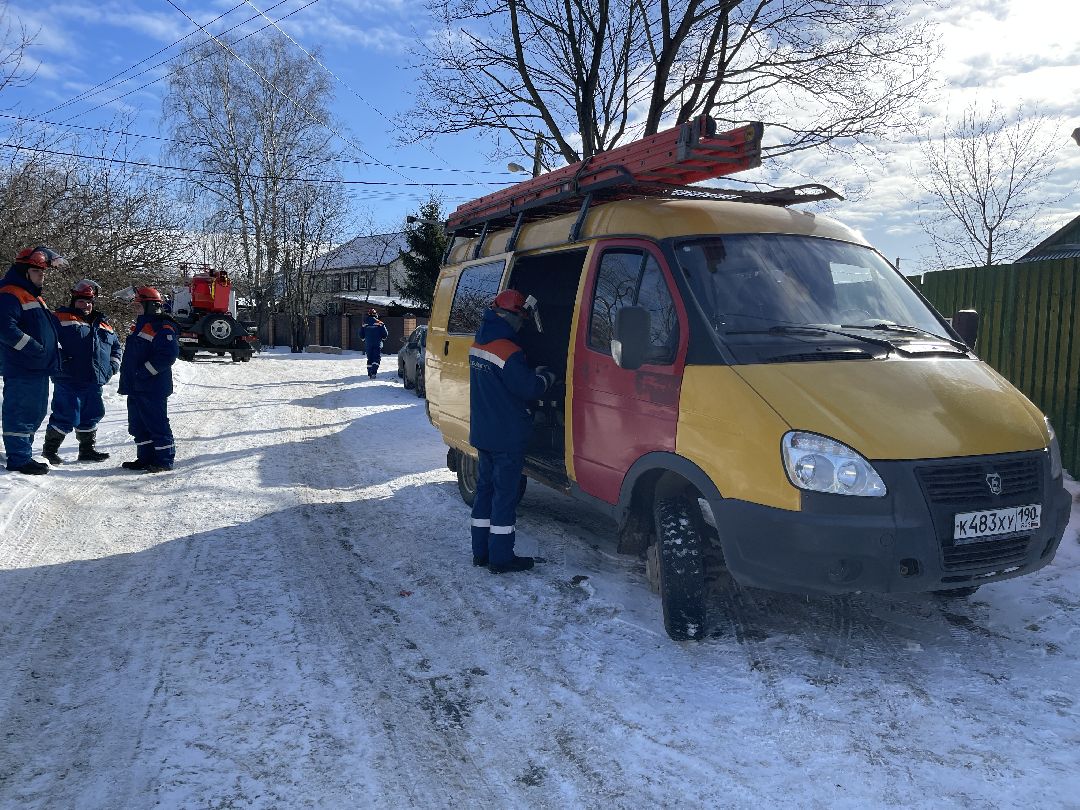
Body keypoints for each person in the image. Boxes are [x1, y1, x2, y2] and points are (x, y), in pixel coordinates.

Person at [468, 289, 556, 573]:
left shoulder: (479, 343)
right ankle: (501, 558)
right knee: (504, 497)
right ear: (510, 316)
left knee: (485, 492)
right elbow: (528, 388)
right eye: (521, 318)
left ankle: (480, 553)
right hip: (507, 436)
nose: (523, 325)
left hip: (484, 432)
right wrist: (546, 376)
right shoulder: (509, 351)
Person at [0, 246, 66, 475]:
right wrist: (33, 348)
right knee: (20, 412)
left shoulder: (31, 295)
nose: (43, 276)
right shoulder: (10, 293)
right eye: (39, 272)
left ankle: (24, 454)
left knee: (33, 413)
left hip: (37, 368)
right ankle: (18, 458)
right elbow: (5, 328)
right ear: (25, 271)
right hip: (23, 368)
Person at [42, 279, 122, 465]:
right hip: (68, 377)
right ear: (73, 301)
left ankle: (87, 450)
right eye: (81, 301)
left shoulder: (103, 323)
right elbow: (48, 342)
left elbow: (116, 348)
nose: (85, 305)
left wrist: (112, 366)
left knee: (91, 414)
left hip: (95, 379)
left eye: (88, 301)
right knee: (66, 414)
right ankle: (49, 451)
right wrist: (60, 360)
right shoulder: (60, 317)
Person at [117, 286, 179, 473]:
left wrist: (143, 372)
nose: (136, 308)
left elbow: (168, 355)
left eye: (139, 305)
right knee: (138, 424)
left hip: (152, 387)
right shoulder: (140, 326)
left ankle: (164, 460)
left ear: (151, 306)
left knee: (156, 423)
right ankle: (145, 458)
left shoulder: (162, 327)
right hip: (136, 387)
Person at [359, 308, 389, 379]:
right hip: (377, 343)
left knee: (370, 358)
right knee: (376, 358)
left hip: (368, 344)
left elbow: (360, 334)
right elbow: (385, 334)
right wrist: (383, 339)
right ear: (376, 315)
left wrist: (364, 339)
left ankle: (369, 372)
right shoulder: (380, 323)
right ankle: (373, 372)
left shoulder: (364, 323)